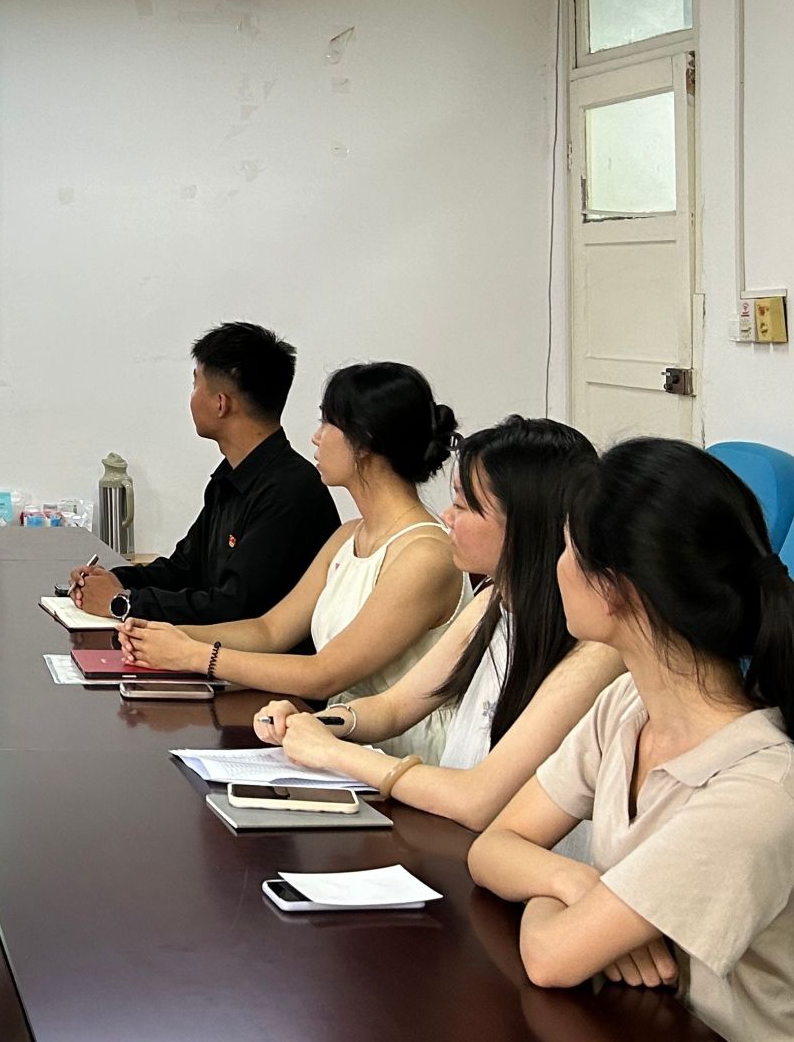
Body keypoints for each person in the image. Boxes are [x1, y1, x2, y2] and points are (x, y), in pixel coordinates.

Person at [469, 439, 794, 1040]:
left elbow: (552, 957)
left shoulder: (759, 788)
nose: (557, 566)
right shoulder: (626, 705)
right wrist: (575, 883)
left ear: (615, 589)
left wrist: (573, 908)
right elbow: (492, 847)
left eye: (568, 549)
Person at [252, 416, 622, 831]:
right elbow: (394, 707)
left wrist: (334, 752)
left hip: (507, 853)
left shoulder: (595, 650)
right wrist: (313, 725)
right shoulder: (494, 600)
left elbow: (476, 798)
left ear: (523, 525)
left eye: (463, 506)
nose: (446, 516)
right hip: (458, 838)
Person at [119, 361, 473, 761]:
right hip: (339, 739)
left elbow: (324, 674)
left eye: (327, 423)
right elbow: (270, 630)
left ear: (364, 442)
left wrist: (193, 655)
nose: (316, 437)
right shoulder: (348, 536)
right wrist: (162, 636)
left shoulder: (424, 554)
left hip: (406, 755)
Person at [69, 322, 337, 623]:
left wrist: (122, 603)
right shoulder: (229, 478)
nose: (192, 396)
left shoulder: (289, 491)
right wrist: (115, 580)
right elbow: (184, 570)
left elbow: (234, 608)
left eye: (196, 384)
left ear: (221, 403)